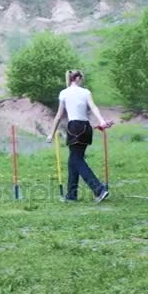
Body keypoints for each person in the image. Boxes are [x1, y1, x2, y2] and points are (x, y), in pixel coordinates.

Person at [47, 70, 113, 203]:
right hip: (86, 127)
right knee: (74, 160)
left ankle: (99, 189)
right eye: (81, 78)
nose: (82, 81)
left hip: (74, 127)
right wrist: (102, 121)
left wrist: (51, 134)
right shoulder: (86, 92)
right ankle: (71, 195)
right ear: (77, 78)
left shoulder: (64, 93)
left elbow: (59, 115)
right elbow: (94, 108)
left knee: (76, 160)